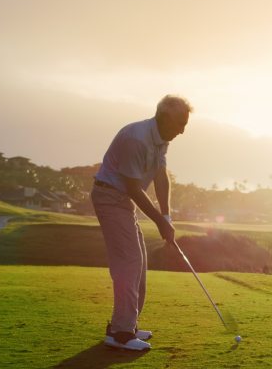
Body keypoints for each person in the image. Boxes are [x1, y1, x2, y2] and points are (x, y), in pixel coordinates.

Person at [91, 94, 192, 351]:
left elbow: (161, 176)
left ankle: (126, 325)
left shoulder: (161, 138)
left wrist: (167, 215)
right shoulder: (137, 138)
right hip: (109, 197)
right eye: (180, 123)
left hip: (123, 201)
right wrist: (159, 222)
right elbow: (134, 188)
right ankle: (121, 335)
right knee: (129, 263)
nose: (182, 131)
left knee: (140, 262)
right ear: (163, 117)